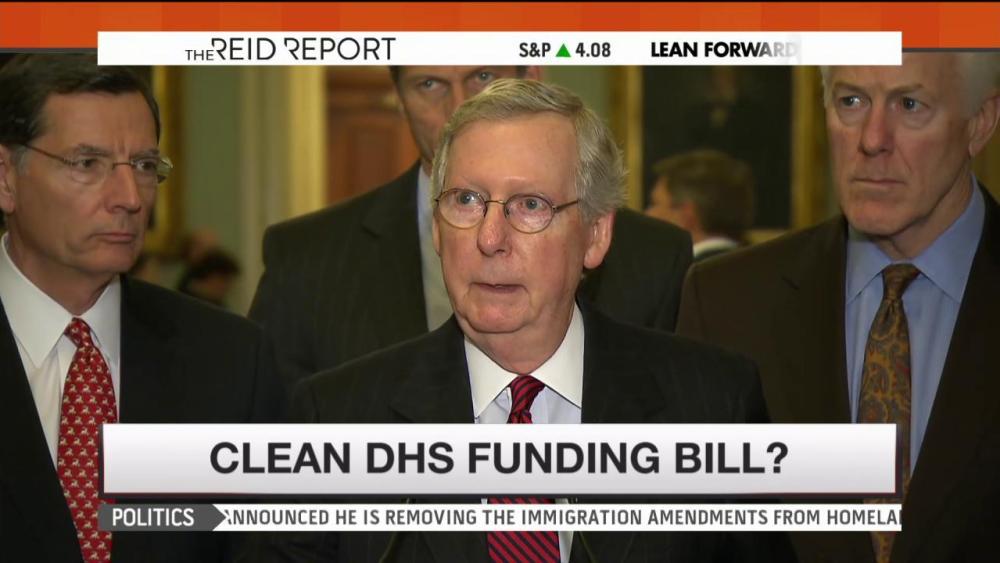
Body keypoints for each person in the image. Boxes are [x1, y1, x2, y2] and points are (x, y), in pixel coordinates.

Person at [269, 79, 793, 562]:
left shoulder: (712, 404)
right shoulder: (335, 420)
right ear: (437, 229)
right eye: (467, 200)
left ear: (595, 235)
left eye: (530, 205)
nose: (490, 238)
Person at [677, 53, 1000, 562]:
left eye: (909, 105)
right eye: (851, 101)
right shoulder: (725, 303)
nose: (872, 139)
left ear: (979, 123)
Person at [0, 54, 284, 563]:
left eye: (145, 166)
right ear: (6, 178)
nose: (130, 198)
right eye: (88, 164)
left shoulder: (231, 361)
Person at [249, 66, 693, 389]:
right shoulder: (306, 258)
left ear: (531, 75)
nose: (459, 106)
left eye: (483, 77)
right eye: (429, 84)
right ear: (398, 96)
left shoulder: (654, 258)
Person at [646, 149, 755, 261]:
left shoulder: (685, 271)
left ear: (686, 214)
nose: (648, 213)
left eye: (655, 204)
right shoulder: (760, 265)